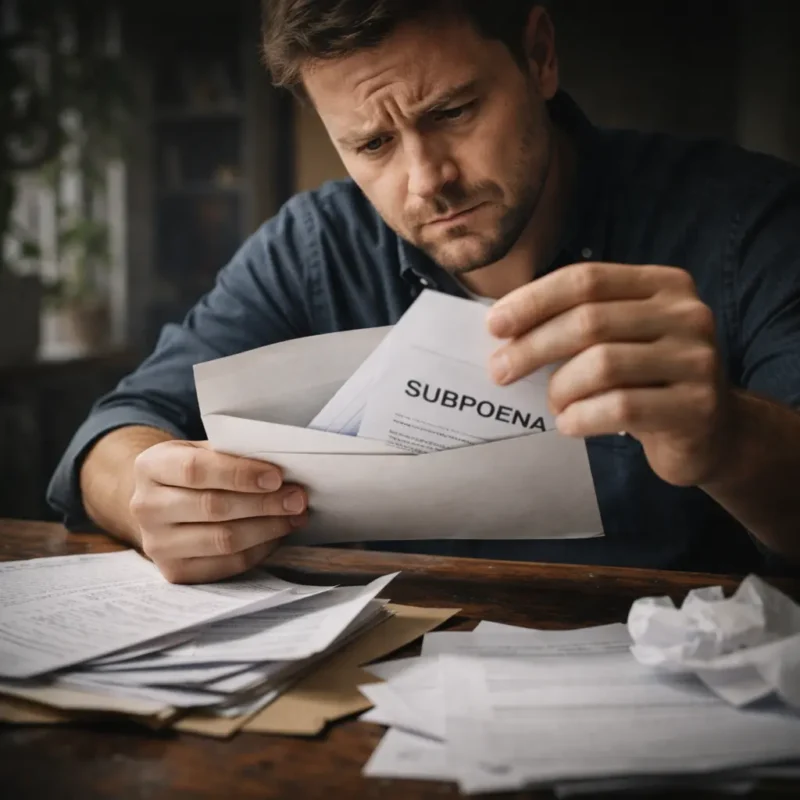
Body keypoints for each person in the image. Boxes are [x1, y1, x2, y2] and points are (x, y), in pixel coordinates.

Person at [48, 0, 800, 583]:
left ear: (538, 56)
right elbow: (118, 429)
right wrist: (150, 497)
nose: (427, 180)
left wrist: (729, 437)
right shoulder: (315, 248)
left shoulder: (749, 223)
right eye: (372, 145)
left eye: (453, 112)